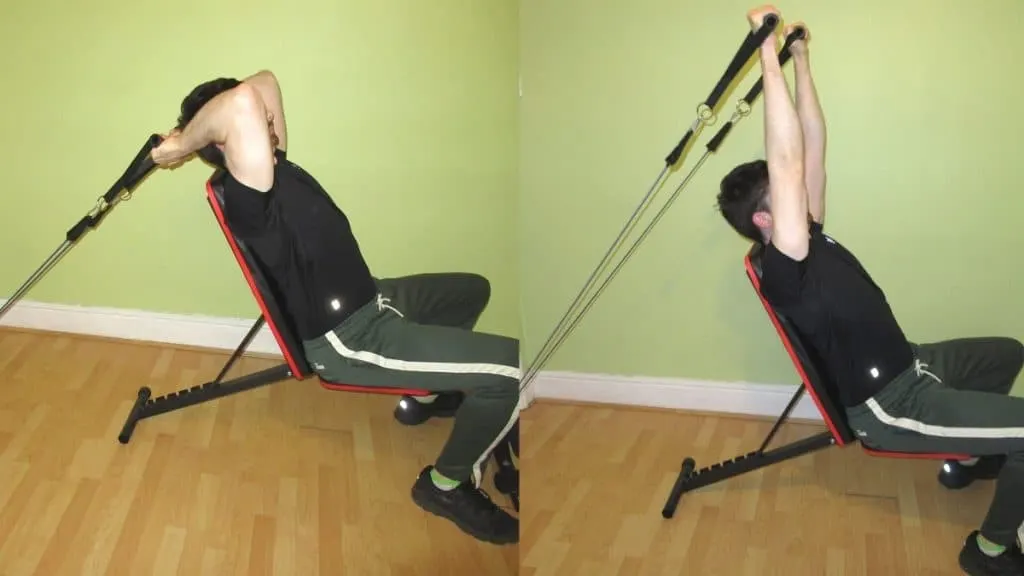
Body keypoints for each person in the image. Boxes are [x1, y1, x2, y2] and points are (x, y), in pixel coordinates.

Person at [150, 70, 520, 546]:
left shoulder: (274, 163)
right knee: (512, 370)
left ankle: (426, 395)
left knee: (473, 290)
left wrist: (191, 128)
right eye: (257, 119)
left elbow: (261, 82)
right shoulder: (250, 196)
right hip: (351, 336)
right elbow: (241, 102)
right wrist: (181, 144)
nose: (266, 115)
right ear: (226, 142)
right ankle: (445, 486)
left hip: (374, 297)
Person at [716, 7, 1024, 575]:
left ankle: (968, 457)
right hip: (892, 405)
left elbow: (808, 146)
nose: (801, 184)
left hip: (914, 363)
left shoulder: (809, 232)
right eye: (784, 194)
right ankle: (992, 550)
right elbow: (786, 161)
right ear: (765, 221)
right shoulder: (787, 266)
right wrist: (764, 48)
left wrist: (802, 60)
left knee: (1007, 352)